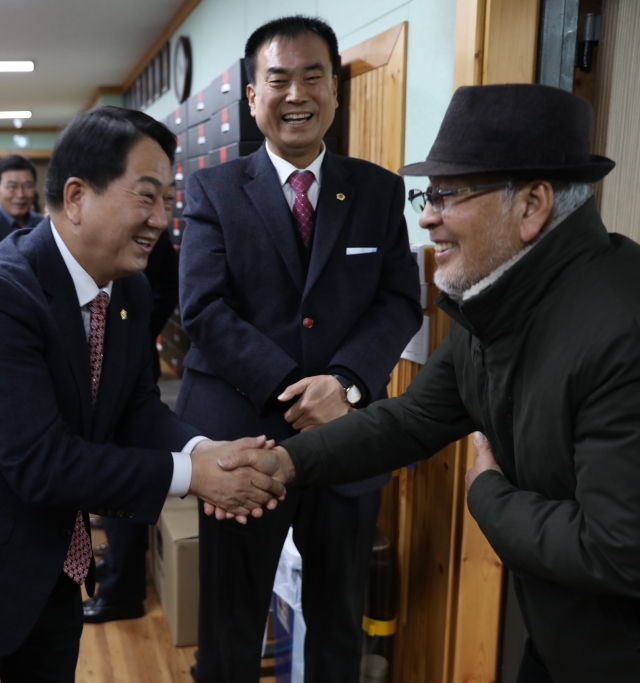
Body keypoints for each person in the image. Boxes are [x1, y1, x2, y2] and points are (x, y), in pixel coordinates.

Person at [221, 84, 631, 683]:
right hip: (556, 640)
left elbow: (615, 550)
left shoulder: (622, 329)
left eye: (449, 194)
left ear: (532, 205)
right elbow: (411, 420)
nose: (427, 216)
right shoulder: (494, 305)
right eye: (427, 194)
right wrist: (284, 464)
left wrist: (485, 491)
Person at [0, 106, 286, 682]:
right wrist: (195, 477)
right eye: (147, 197)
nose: (162, 220)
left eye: (169, 200)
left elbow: (135, 406)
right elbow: (40, 463)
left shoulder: (128, 291)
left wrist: (202, 450)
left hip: (52, 567)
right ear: (75, 196)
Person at [176, 16, 422, 682]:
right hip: (241, 439)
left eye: (313, 76)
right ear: (252, 97)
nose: (296, 94)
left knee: (339, 618)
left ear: (335, 92)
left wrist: (342, 384)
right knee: (230, 626)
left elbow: (399, 300)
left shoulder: (377, 189)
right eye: (277, 79)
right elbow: (203, 307)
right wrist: (295, 386)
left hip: (345, 432)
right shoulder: (212, 190)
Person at [83, 228, 180, 623]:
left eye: (166, 199)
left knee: (122, 476)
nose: (157, 213)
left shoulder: (136, 282)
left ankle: (122, 591)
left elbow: (168, 288)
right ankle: (115, 575)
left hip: (128, 365)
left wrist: (137, 330)